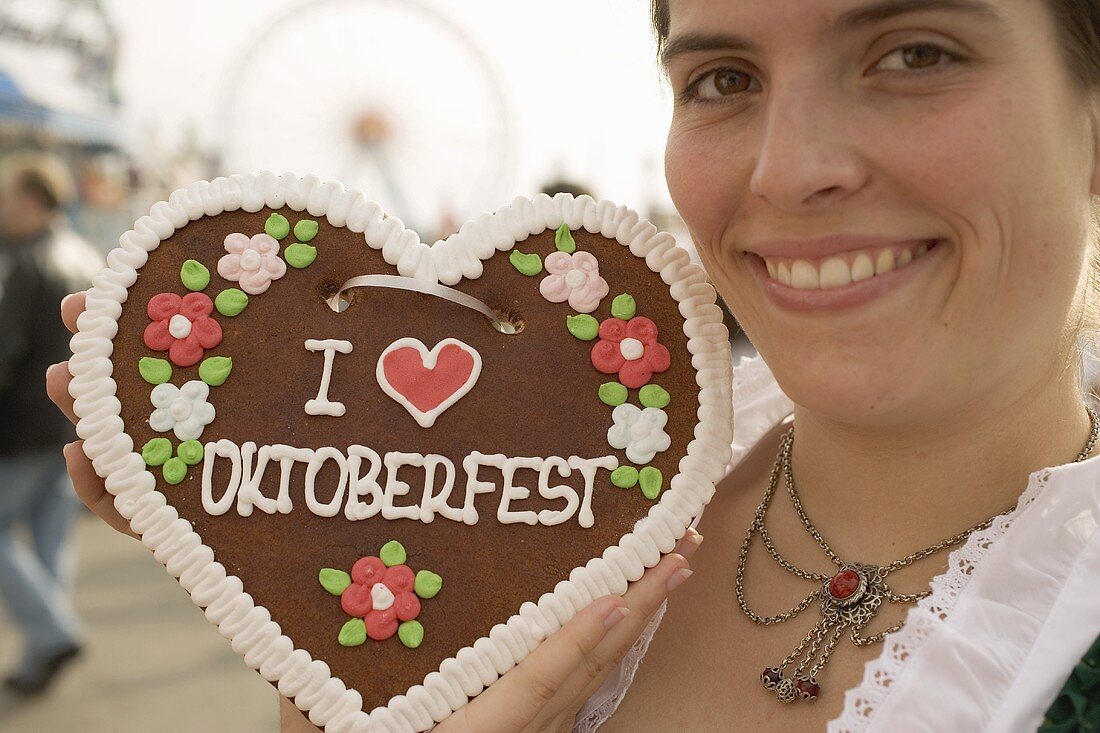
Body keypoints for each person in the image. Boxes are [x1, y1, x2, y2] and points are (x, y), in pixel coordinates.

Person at [46, 0, 1100, 729]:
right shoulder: (557, 501)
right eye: (722, 78)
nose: (787, 170)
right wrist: (314, 631)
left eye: (913, 53)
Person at [0, 152, 102, 695]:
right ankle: (44, 652)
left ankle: (53, 632)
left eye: (8, 197)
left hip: (20, 426)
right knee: (48, 541)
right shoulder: (85, 254)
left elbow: (5, 350)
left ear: (34, 200)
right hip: (73, 422)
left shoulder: (24, 261)